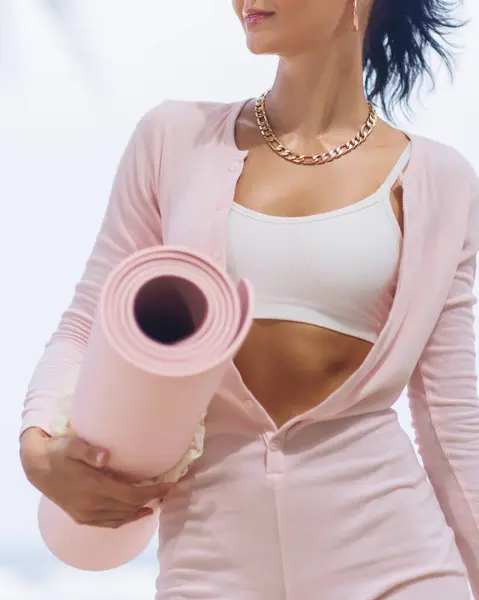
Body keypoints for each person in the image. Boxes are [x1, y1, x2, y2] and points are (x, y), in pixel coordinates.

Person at [19, 1, 479, 598]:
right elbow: (89, 324)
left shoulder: (439, 179)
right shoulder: (173, 139)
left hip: (397, 557)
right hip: (211, 558)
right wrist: (37, 450)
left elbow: (452, 419)